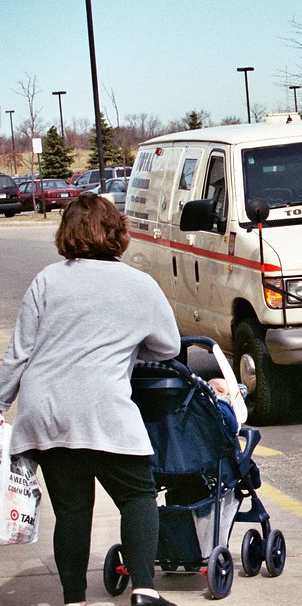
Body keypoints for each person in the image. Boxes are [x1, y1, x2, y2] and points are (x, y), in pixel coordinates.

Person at [0, 194, 181, 606]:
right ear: (117, 233)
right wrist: (128, 348)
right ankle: (144, 590)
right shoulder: (140, 284)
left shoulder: (47, 280)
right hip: (103, 410)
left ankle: (75, 600)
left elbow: (19, 353)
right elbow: (168, 347)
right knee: (137, 496)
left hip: (46, 415)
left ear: (66, 234)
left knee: (73, 511)